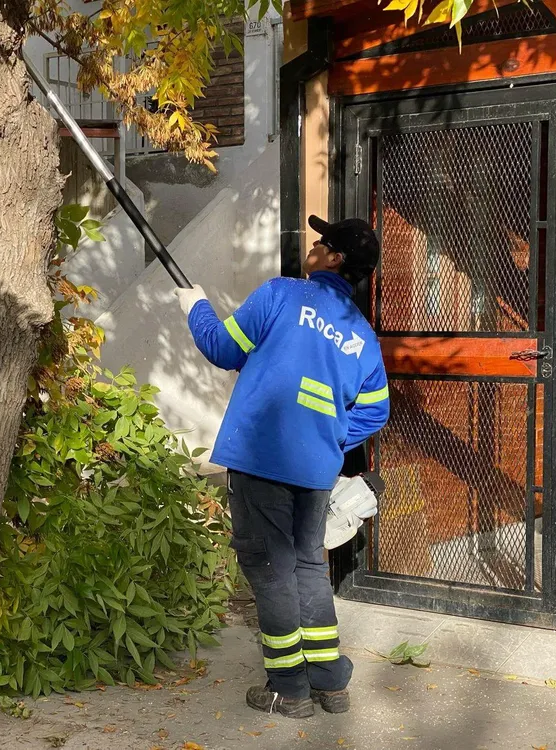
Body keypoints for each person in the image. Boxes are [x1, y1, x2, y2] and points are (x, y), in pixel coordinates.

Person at [175, 215, 390, 719]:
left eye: (322, 243)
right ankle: (331, 682)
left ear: (335, 259)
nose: (312, 247)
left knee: (270, 571)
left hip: (260, 459)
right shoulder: (362, 336)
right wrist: (330, 438)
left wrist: (195, 308)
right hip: (316, 470)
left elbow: (223, 348)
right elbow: (376, 409)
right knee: (309, 566)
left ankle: (288, 689)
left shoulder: (281, 295)